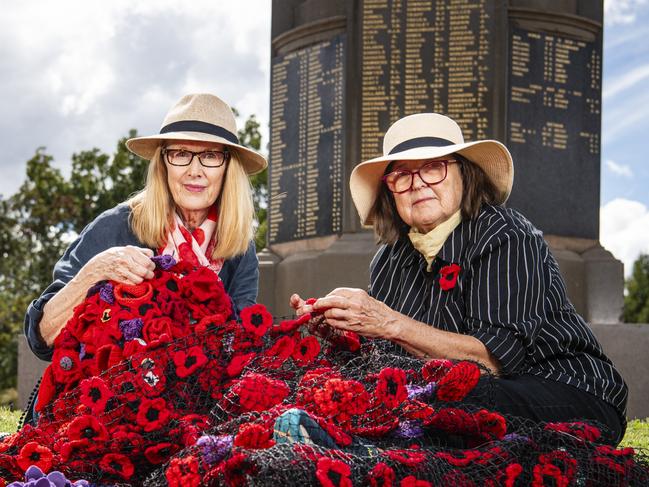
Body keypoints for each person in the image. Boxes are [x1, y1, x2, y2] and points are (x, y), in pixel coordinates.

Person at [291, 113, 628, 445]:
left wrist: (388, 322)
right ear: (390, 191)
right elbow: (395, 358)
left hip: (566, 389)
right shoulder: (388, 260)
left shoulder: (507, 234)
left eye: (434, 167)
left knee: (450, 399)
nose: (418, 182)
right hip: (459, 393)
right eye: (402, 175)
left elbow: (493, 361)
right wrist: (345, 332)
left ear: (464, 174)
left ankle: (352, 446)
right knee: (388, 393)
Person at [25, 92, 266, 366]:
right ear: (163, 164)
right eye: (181, 154)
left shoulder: (240, 246)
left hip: (198, 398)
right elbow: (42, 338)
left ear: (228, 167)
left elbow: (243, 340)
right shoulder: (115, 226)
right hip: (108, 393)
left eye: (210, 156)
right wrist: (95, 272)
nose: (194, 170)